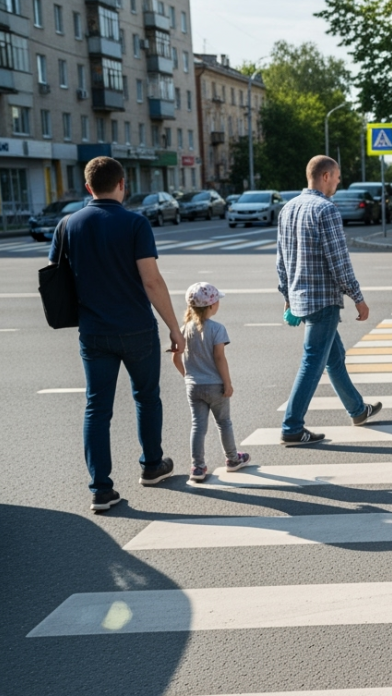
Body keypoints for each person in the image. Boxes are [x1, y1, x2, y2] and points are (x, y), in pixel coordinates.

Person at [55, 156, 183, 512]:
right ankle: (152, 466)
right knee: (146, 397)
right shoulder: (135, 223)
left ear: (87, 187)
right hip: (137, 329)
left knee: (97, 408)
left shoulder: (68, 224)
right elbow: (151, 280)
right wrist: (175, 328)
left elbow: (59, 277)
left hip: (93, 332)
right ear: (122, 184)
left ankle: (100, 489)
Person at [276, 155, 382, 445]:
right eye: (336, 177)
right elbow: (339, 261)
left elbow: (281, 260)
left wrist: (287, 295)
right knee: (313, 360)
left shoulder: (288, 208)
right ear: (325, 176)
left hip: (301, 297)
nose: (338, 182)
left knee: (334, 358)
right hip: (323, 300)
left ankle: (358, 410)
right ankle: (292, 427)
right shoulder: (326, 209)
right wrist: (358, 298)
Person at [171, 282, 251, 482]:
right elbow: (219, 358)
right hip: (215, 385)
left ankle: (197, 467)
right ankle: (233, 459)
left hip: (193, 386)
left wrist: (188, 376)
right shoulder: (217, 329)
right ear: (210, 306)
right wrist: (228, 383)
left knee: (198, 426)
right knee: (224, 423)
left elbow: (175, 358)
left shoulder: (184, 329)